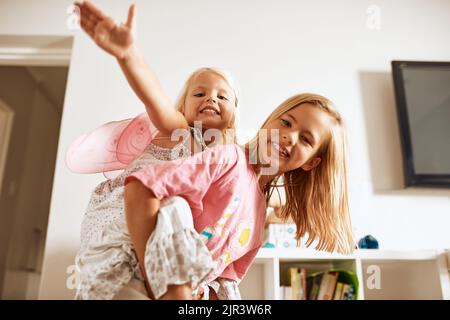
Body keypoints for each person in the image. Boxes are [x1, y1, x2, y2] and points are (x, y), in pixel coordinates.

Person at [72, 1, 239, 300]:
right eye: (199, 93)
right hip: (124, 208)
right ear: (184, 107)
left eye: (222, 96)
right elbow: (156, 101)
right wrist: (127, 55)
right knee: (116, 276)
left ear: (234, 112)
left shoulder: (232, 157)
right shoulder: (180, 131)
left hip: (166, 225)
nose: (210, 98)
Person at [124, 93, 356, 300]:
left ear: (311, 163)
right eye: (286, 123)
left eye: (306, 139)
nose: (289, 137)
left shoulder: (257, 221)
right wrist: (156, 280)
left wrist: (201, 292)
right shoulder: (228, 159)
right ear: (271, 121)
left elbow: (222, 283)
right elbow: (140, 188)